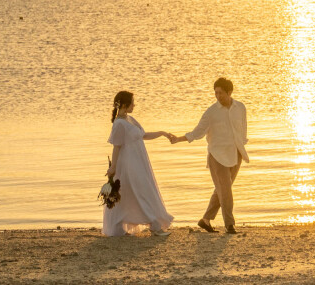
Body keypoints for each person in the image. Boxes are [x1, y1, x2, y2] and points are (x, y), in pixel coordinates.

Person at [170, 77, 248, 234]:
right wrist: (179, 139)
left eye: (221, 93)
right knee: (225, 191)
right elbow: (197, 132)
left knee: (221, 190)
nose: (218, 96)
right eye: (216, 93)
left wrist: (242, 145)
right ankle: (229, 225)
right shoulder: (211, 112)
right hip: (217, 156)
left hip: (235, 154)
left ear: (229, 92)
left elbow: (243, 128)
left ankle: (205, 220)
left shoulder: (240, 107)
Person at [103, 90, 174, 237]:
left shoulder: (130, 119)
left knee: (136, 192)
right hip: (128, 164)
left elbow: (144, 135)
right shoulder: (119, 124)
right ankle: (153, 224)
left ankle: (149, 224)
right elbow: (116, 146)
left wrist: (162, 133)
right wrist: (113, 167)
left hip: (140, 162)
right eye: (132, 103)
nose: (134, 105)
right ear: (124, 105)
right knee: (140, 191)